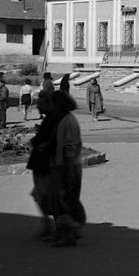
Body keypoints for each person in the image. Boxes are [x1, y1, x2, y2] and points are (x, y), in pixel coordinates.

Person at [47, 90, 86, 247]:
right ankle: (67, 232)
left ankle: (68, 235)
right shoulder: (63, 118)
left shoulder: (68, 120)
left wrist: (68, 170)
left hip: (68, 165)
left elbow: (70, 146)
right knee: (63, 199)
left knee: (65, 199)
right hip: (63, 164)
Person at [26, 93, 59, 239]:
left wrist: (40, 144)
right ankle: (50, 226)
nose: (38, 107)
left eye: (41, 104)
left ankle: (61, 228)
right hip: (41, 163)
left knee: (47, 196)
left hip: (46, 164)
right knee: (41, 195)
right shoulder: (50, 120)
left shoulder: (53, 120)